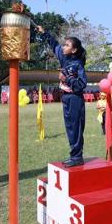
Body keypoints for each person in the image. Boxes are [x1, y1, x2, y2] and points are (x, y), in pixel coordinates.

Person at [37, 25, 87, 167]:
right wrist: (44, 32)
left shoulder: (78, 65)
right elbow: (54, 45)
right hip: (65, 98)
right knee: (70, 127)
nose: (63, 47)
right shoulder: (64, 60)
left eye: (67, 45)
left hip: (75, 99)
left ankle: (77, 156)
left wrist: (67, 79)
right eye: (64, 45)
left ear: (74, 50)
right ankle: (75, 155)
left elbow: (82, 84)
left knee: (76, 127)